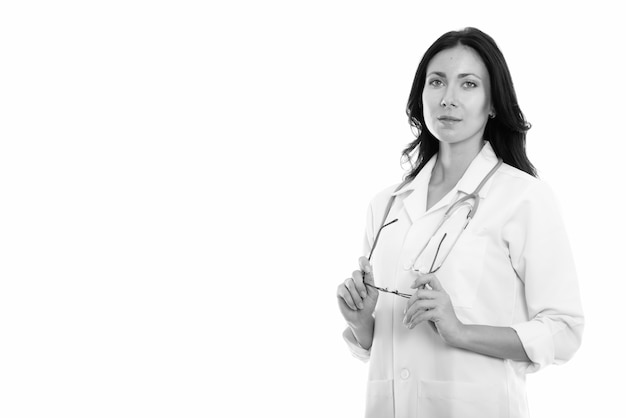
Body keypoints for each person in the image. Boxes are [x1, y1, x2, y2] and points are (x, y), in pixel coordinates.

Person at [336, 27, 584, 418]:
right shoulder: (385, 204)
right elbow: (384, 344)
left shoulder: (523, 197)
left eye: (468, 84)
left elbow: (564, 330)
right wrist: (362, 321)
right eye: (436, 82)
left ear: (492, 104)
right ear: (421, 96)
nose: (448, 98)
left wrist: (460, 331)